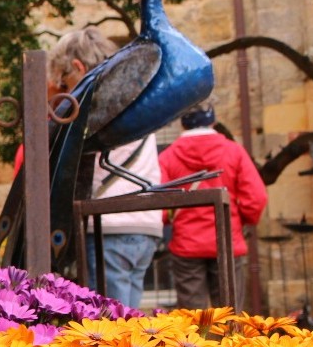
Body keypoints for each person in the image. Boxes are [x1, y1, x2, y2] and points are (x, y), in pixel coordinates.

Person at [44, 27, 163, 309]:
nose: (65, 93)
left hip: (109, 226)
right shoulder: (133, 94)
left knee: (111, 332)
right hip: (146, 224)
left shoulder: (94, 104)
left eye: (64, 83)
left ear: (77, 67)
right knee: (128, 321)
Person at [159, 101, 268, 308]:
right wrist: (241, 221)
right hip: (227, 241)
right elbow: (256, 197)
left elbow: (160, 205)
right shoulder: (234, 152)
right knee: (230, 316)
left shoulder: (168, 156)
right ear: (213, 121)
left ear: (182, 124)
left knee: (194, 321)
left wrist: (169, 220)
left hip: (187, 245)